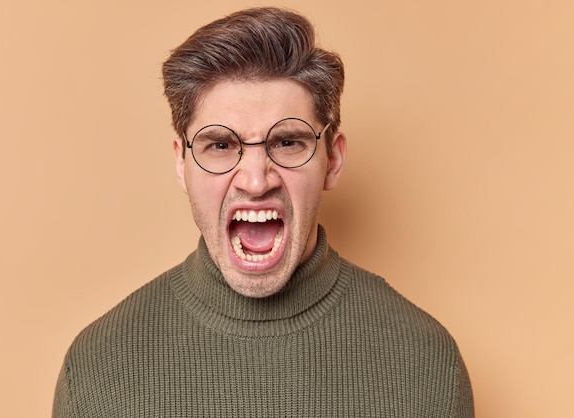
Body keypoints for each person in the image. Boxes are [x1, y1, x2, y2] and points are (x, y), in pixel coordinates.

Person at [52, 7, 474, 417]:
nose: (256, 181)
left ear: (333, 160)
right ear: (182, 164)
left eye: (288, 142)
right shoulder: (97, 368)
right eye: (220, 145)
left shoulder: (427, 363)